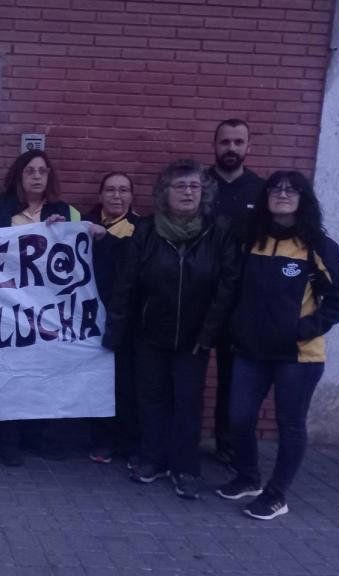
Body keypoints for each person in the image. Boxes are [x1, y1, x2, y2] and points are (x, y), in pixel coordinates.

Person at [215, 172, 339, 520]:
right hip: (250, 352)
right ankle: (248, 478)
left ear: (304, 199)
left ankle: (277, 495)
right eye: (275, 188)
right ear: (265, 198)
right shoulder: (250, 239)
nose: (282, 193)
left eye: (292, 189)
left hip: (298, 356)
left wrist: (303, 328)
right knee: (239, 419)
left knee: (290, 425)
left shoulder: (318, 245)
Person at [103, 159, 240, 500]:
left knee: (188, 403)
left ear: (204, 193)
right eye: (180, 186)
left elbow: (228, 287)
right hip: (149, 334)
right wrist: (116, 331)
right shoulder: (146, 231)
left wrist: (208, 335)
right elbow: (126, 285)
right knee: (150, 399)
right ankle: (152, 459)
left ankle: (186, 467)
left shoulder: (218, 232)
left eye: (194, 186)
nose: (188, 192)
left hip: (195, 339)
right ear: (165, 193)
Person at [0, 149, 102, 466]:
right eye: (30, 170)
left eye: (42, 171)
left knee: (41, 376)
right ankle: (6, 440)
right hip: (2, 307)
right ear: (19, 175)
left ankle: (37, 436)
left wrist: (83, 231)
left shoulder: (67, 213)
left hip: (48, 312)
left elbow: (84, 249)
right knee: (6, 374)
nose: (36, 176)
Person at [208, 118, 266, 466]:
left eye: (238, 142)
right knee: (189, 370)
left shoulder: (261, 190)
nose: (231, 148)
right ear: (214, 145)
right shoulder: (197, 185)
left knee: (234, 376)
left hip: (241, 299)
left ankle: (227, 443)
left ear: (248, 146)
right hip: (198, 293)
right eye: (225, 142)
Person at [83, 172, 141, 465]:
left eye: (123, 190)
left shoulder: (142, 229)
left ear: (132, 196)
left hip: (125, 318)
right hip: (85, 319)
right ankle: (100, 440)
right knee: (95, 382)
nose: (116, 196)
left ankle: (126, 442)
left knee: (124, 383)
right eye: (110, 190)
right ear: (100, 195)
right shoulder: (81, 225)